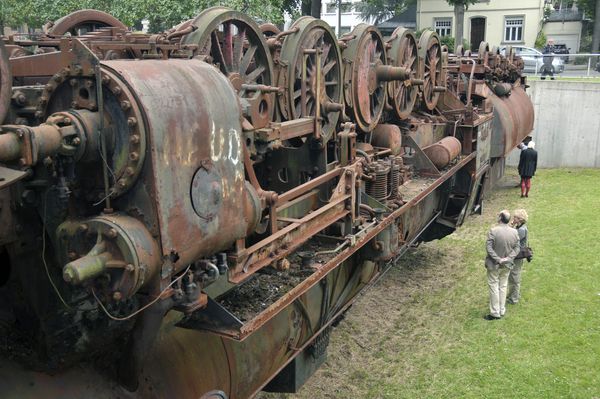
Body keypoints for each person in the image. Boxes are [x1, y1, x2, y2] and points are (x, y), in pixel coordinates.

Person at [484, 210, 520, 320]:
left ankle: (495, 312)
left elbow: (489, 248)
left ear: (500, 218)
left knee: (494, 286)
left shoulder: (493, 231)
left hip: (494, 265)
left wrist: (498, 259)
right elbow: (517, 248)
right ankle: (502, 310)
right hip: (507, 265)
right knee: (503, 286)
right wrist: (508, 259)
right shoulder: (514, 232)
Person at [508, 209, 529, 304]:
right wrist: (512, 225)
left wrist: (511, 227)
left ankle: (514, 298)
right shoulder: (519, 227)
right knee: (513, 276)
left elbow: (512, 240)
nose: (513, 218)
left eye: (515, 217)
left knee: (515, 276)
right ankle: (513, 294)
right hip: (516, 254)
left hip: (518, 256)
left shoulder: (521, 230)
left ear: (520, 219)